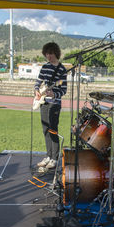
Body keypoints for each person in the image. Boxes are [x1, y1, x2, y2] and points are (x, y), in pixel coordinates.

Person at [34, 42, 67, 171]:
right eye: (47, 54)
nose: (49, 56)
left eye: (51, 53)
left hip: (54, 103)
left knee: (53, 130)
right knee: (45, 130)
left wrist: (54, 94)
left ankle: (54, 158)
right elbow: (38, 82)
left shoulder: (62, 70)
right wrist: (37, 90)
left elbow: (63, 90)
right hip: (43, 102)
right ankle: (48, 156)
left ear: (56, 53)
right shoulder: (45, 67)